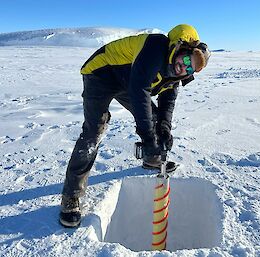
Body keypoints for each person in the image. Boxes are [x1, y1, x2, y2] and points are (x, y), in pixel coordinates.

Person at [59, 24, 211, 227]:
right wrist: (148, 138)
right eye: (185, 60)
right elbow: (140, 93)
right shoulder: (156, 47)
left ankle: (152, 159)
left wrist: (164, 129)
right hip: (101, 74)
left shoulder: (177, 75)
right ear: (180, 49)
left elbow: (167, 103)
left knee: (156, 120)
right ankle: (72, 197)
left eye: (190, 68)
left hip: (127, 80)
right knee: (93, 133)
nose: (184, 67)